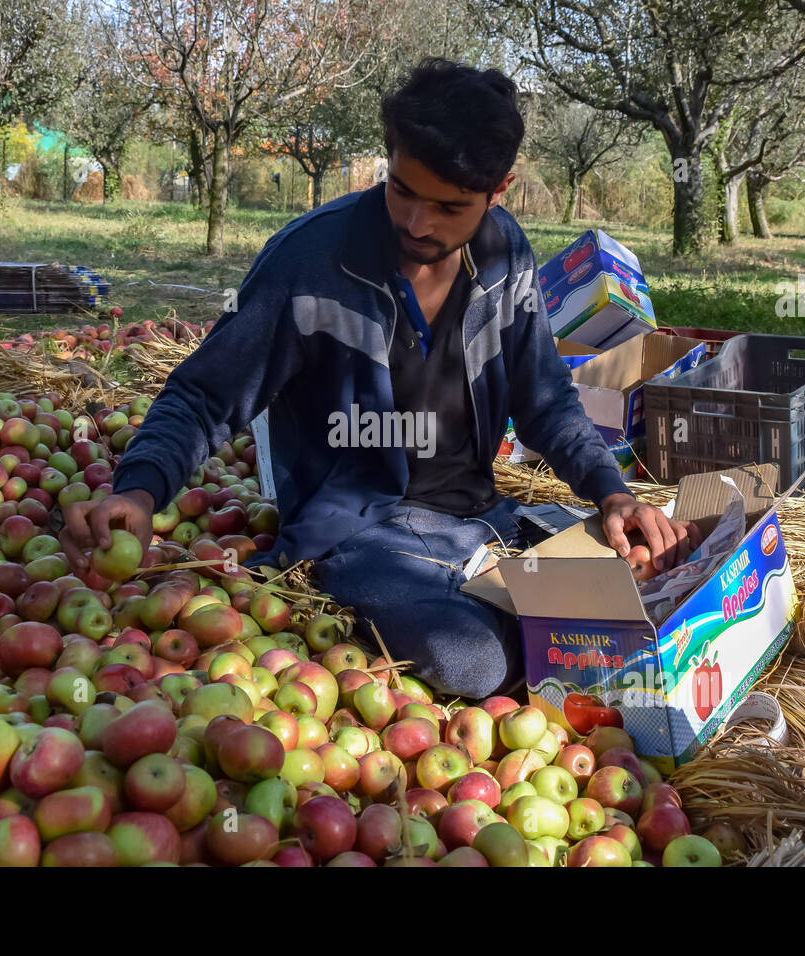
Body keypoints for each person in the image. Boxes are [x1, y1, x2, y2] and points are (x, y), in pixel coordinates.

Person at [60, 59, 701, 699]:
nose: (419, 224)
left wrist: (610, 492)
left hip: (482, 518)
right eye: (401, 190)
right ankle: (562, 643)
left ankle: (557, 626)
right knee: (466, 659)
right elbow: (204, 395)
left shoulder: (505, 256)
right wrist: (140, 492)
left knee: (655, 578)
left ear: (499, 189)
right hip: (364, 529)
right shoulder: (310, 263)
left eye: (450, 207)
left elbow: (547, 400)